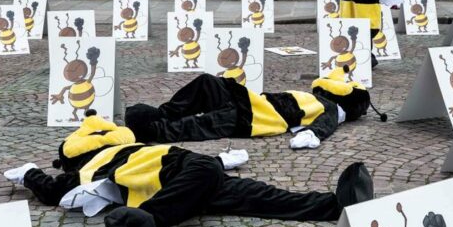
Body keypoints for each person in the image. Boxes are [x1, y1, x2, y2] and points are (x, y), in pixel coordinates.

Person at [3, 113, 374, 227]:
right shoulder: (84, 171)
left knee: (253, 193)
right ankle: (148, 221)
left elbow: (185, 160)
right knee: (241, 191)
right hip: (182, 186)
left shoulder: (131, 145)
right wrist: (28, 175)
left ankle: (335, 204)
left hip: (186, 172)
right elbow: (53, 191)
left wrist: (220, 161)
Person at [124, 71, 386, 150]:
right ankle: (163, 113)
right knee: (207, 82)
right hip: (250, 100)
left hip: (257, 118)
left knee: (205, 124)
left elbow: (325, 125)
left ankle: (152, 129)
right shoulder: (315, 96)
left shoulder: (331, 108)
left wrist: (311, 135)